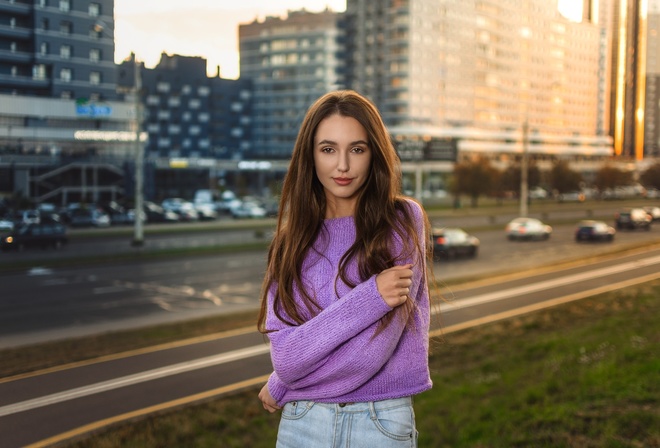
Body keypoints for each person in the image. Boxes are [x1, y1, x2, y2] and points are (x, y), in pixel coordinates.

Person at [257, 90, 433, 447]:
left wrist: (284, 380)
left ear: (374, 154)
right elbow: (288, 358)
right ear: (310, 156)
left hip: (379, 421)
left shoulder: (401, 221)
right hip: (302, 422)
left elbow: (369, 356)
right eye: (328, 149)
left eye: (357, 149)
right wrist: (372, 297)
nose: (342, 166)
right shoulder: (289, 243)